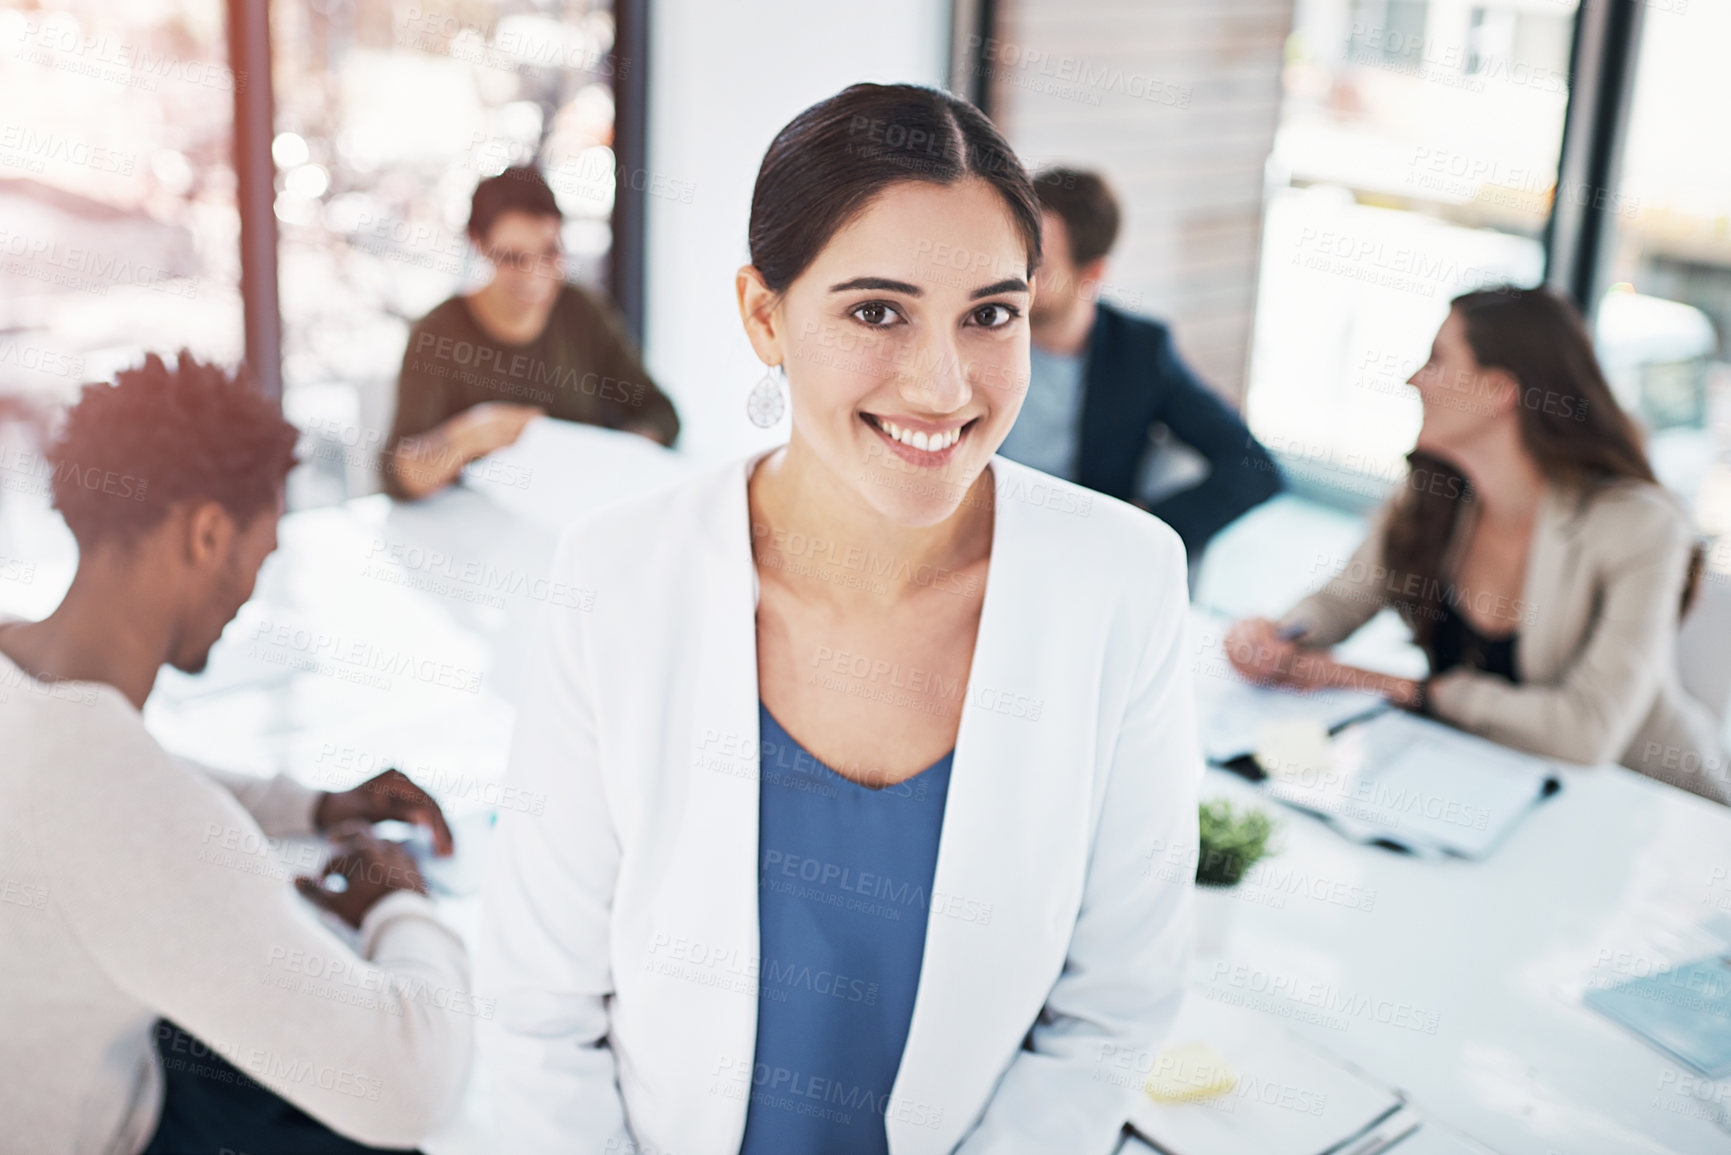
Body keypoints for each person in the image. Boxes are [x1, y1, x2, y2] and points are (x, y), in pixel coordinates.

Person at [479, 84, 1202, 1155]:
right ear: (765, 317)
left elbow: (1111, 1013)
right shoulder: (619, 579)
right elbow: (535, 1019)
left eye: (990, 314)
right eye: (877, 311)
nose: (945, 384)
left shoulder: (1123, 581)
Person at [0, 352, 475, 1153]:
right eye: (264, 546)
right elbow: (410, 1088)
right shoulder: (121, 808)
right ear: (209, 531)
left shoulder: (30, 683)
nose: (256, 582)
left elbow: (98, 781)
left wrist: (313, 808)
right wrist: (400, 899)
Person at [1226, 285, 1729, 805]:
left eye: (1437, 361)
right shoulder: (1434, 494)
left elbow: (1586, 733)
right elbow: (1342, 600)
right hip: (1475, 788)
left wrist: (1395, 687)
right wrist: (1278, 634)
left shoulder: (1639, 525)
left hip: (1644, 805)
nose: (1414, 379)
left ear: (1496, 391)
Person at [994, 166, 1281, 558]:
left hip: (1076, 555)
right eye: (1013, 254)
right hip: (972, 532)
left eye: (1037, 267)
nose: (1014, 277)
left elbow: (1253, 468)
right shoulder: (979, 323)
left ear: (1091, 274)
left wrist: (1142, 526)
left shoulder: (1140, 352)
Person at [381, 164, 681, 499]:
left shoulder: (580, 309)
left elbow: (660, 412)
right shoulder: (437, 335)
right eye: (512, 258)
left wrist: (623, 453)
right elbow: (397, 476)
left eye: (551, 252)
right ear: (478, 244)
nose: (535, 277)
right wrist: (476, 434)